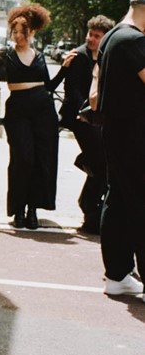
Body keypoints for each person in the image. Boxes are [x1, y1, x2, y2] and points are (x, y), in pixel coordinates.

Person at [0, 4, 60, 230]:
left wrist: (65, 69)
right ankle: (18, 209)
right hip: (18, 111)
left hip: (43, 111)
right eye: (15, 31)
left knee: (40, 161)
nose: (18, 36)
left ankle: (32, 210)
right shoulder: (4, 56)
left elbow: (49, 86)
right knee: (22, 159)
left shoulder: (39, 56)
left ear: (33, 32)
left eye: (23, 31)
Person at [92, 0, 145, 298]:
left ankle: (117, 273)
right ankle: (120, 273)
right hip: (135, 136)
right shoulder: (134, 39)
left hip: (117, 133)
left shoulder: (112, 36)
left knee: (119, 203)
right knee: (137, 204)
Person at [52, 15, 114, 234]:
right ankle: (89, 207)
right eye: (90, 34)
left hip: (96, 117)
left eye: (97, 36)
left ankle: (89, 208)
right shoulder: (79, 56)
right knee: (99, 160)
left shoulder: (106, 56)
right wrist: (86, 112)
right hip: (78, 117)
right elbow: (74, 91)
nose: (92, 39)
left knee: (101, 162)